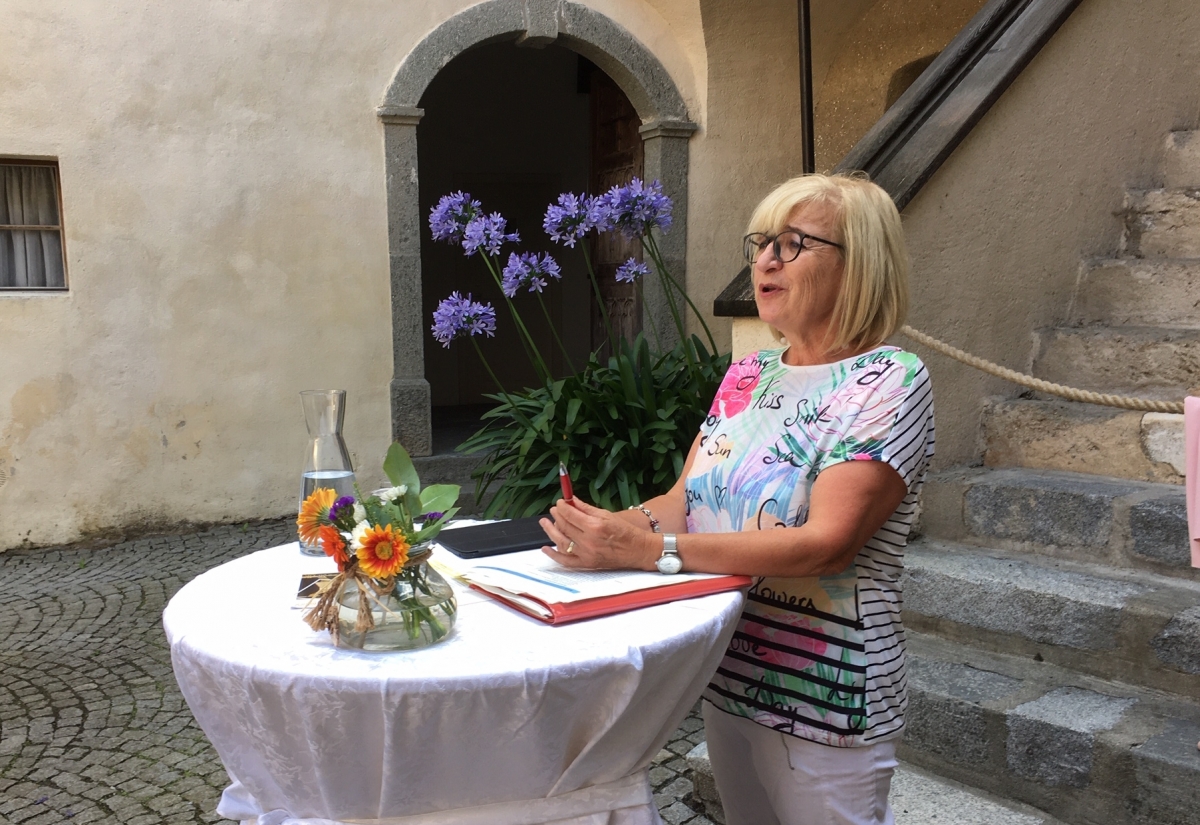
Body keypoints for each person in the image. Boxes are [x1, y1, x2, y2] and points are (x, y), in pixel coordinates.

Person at [539, 172, 936, 825]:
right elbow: (686, 497)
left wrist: (652, 551)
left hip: (826, 693)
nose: (765, 260)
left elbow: (825, 542)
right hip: (731, 670)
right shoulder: (748, 373)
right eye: (761, 242)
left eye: (793, 242)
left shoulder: (888, 378)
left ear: (859, 262)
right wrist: (613, 527)